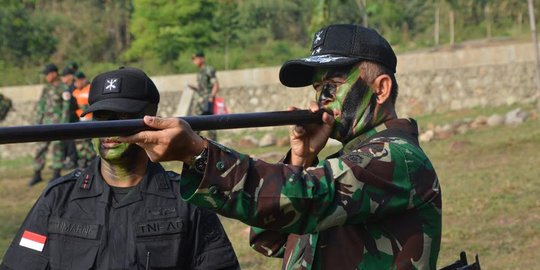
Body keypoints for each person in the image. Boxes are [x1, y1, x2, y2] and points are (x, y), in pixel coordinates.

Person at [121, 24, 442, 270]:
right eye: (318, 89)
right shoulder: (348, 160)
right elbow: (270, 239)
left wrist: (198, 153)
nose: (320, 101)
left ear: (381, 89)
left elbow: (311, 199)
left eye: (331, 86)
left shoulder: (397, 157)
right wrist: (300, 159)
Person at [1, 67, 240, 270]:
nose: (109, 129)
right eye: (101, 117)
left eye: (122, 117)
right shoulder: (58, 198)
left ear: (151, 120)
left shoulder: (187, 200)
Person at [28, 64, 70, 186]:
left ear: (54, 74)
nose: (46, 77)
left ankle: (56, 174)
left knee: (57, 149)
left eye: (47, 74)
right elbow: (41, 106)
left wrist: (63, 125)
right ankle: (37, 173)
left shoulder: (63, 88)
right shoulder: (46, 89)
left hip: (57, 125)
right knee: (40, 148)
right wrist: (36, 123)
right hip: (45, 125)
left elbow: (66, 108)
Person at [188, 50, 219, 141]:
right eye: (193, 59)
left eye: (195, 58)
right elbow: (201, 88)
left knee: (210, 124)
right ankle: (194, 143)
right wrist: (193, 87)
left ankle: (214, 145)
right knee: (197, 123)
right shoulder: (200, 72)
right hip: (200, 102)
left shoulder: (208, 69)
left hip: (207, 101)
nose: (194, 61)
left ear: (202, 58)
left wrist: (211, 97)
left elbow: (216, 85)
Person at [71, 71, 96, 168]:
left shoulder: (90, 89)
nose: (75, 83)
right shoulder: (75, 92)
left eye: (77, 81)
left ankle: (92, 158)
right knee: (81, 142)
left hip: (91, 119)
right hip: (81, 120)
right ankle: (86, 158)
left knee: (87, 141)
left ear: (83, 80)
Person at [60, 66, 79, 169]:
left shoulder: (73, 87)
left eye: (64, 76)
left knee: (70, 139)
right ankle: (71, 158)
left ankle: (73, 159)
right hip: (72, 117)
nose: (62, 78)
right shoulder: (68, 87)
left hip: (75, 117)